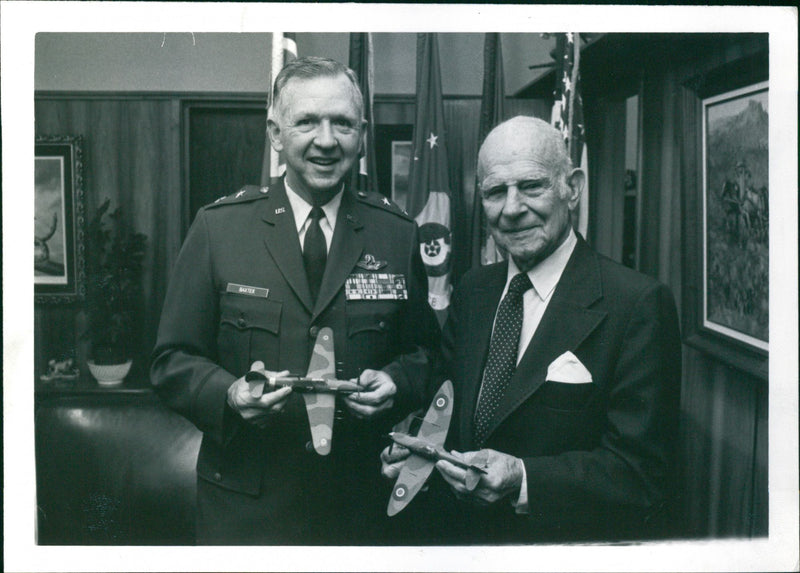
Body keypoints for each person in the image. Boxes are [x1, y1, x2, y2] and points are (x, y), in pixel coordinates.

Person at [151, 57, 439, 545]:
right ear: (276, 133)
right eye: (307, 121)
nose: (326, 140)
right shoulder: (219, 229)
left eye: (342, 123)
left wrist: (396, 381)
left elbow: (427, 353)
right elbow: (171, 360)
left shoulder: (396, 233)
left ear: (362, 134)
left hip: (360, 511)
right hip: (246, 513)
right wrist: (228, 394)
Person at [382, 116, 681, 543]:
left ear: (572, 188)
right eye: (495, 192)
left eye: (532, 186)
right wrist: (413, 444)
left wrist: (523, 478)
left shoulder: (637, 304)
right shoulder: (474, 289)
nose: (512, 208)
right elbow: (444, 400)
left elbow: (641, 474)